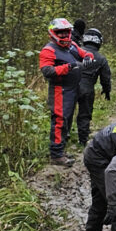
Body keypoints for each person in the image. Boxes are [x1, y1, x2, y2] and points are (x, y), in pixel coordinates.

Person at [40, 18, 95, 166]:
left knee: (67, 120)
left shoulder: (72, 45)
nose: (64, 36)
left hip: (73, 88)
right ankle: (56, 154)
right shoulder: (49, 50)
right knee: (59, 120)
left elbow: (84, 53)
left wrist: (89, 57)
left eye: (66, 32)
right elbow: (47, 71)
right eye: (60, 33)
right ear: (53, 33)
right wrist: (68, 67)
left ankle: (61, 150)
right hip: (60, 90)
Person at [73, 27, 112, 147]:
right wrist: (107, 91)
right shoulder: (101, 58)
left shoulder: (75, 52)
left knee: (67, 113)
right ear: (99, 41)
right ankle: (83, 140)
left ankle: (64, 138)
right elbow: (105, 78)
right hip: (87, 88)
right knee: (85, 114)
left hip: (71, 86)